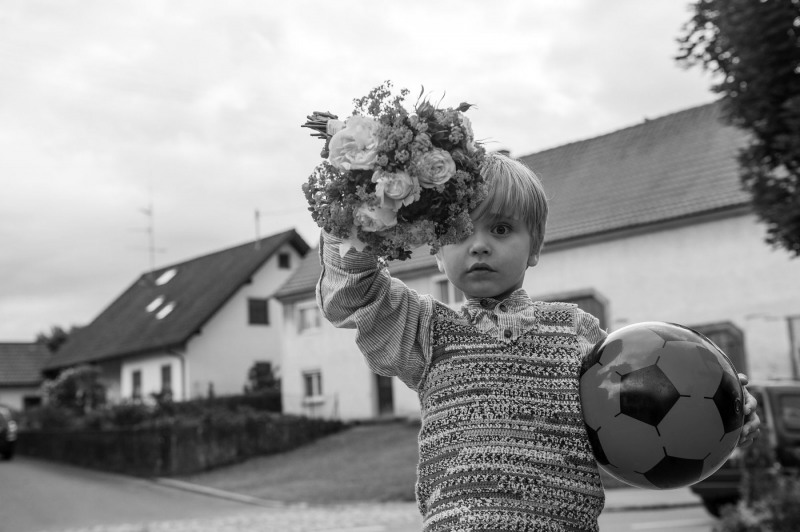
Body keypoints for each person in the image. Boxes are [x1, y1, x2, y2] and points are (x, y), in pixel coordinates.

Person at [316, 152, 761, 531]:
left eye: (502, 229)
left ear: (535, 246)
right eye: (459, 231)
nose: (479, 246)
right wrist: (362, 206)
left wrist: (722, 421)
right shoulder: (426, 329)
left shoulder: (578, 334)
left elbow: (645, 417)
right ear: (435, 248)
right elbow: (356, 289)